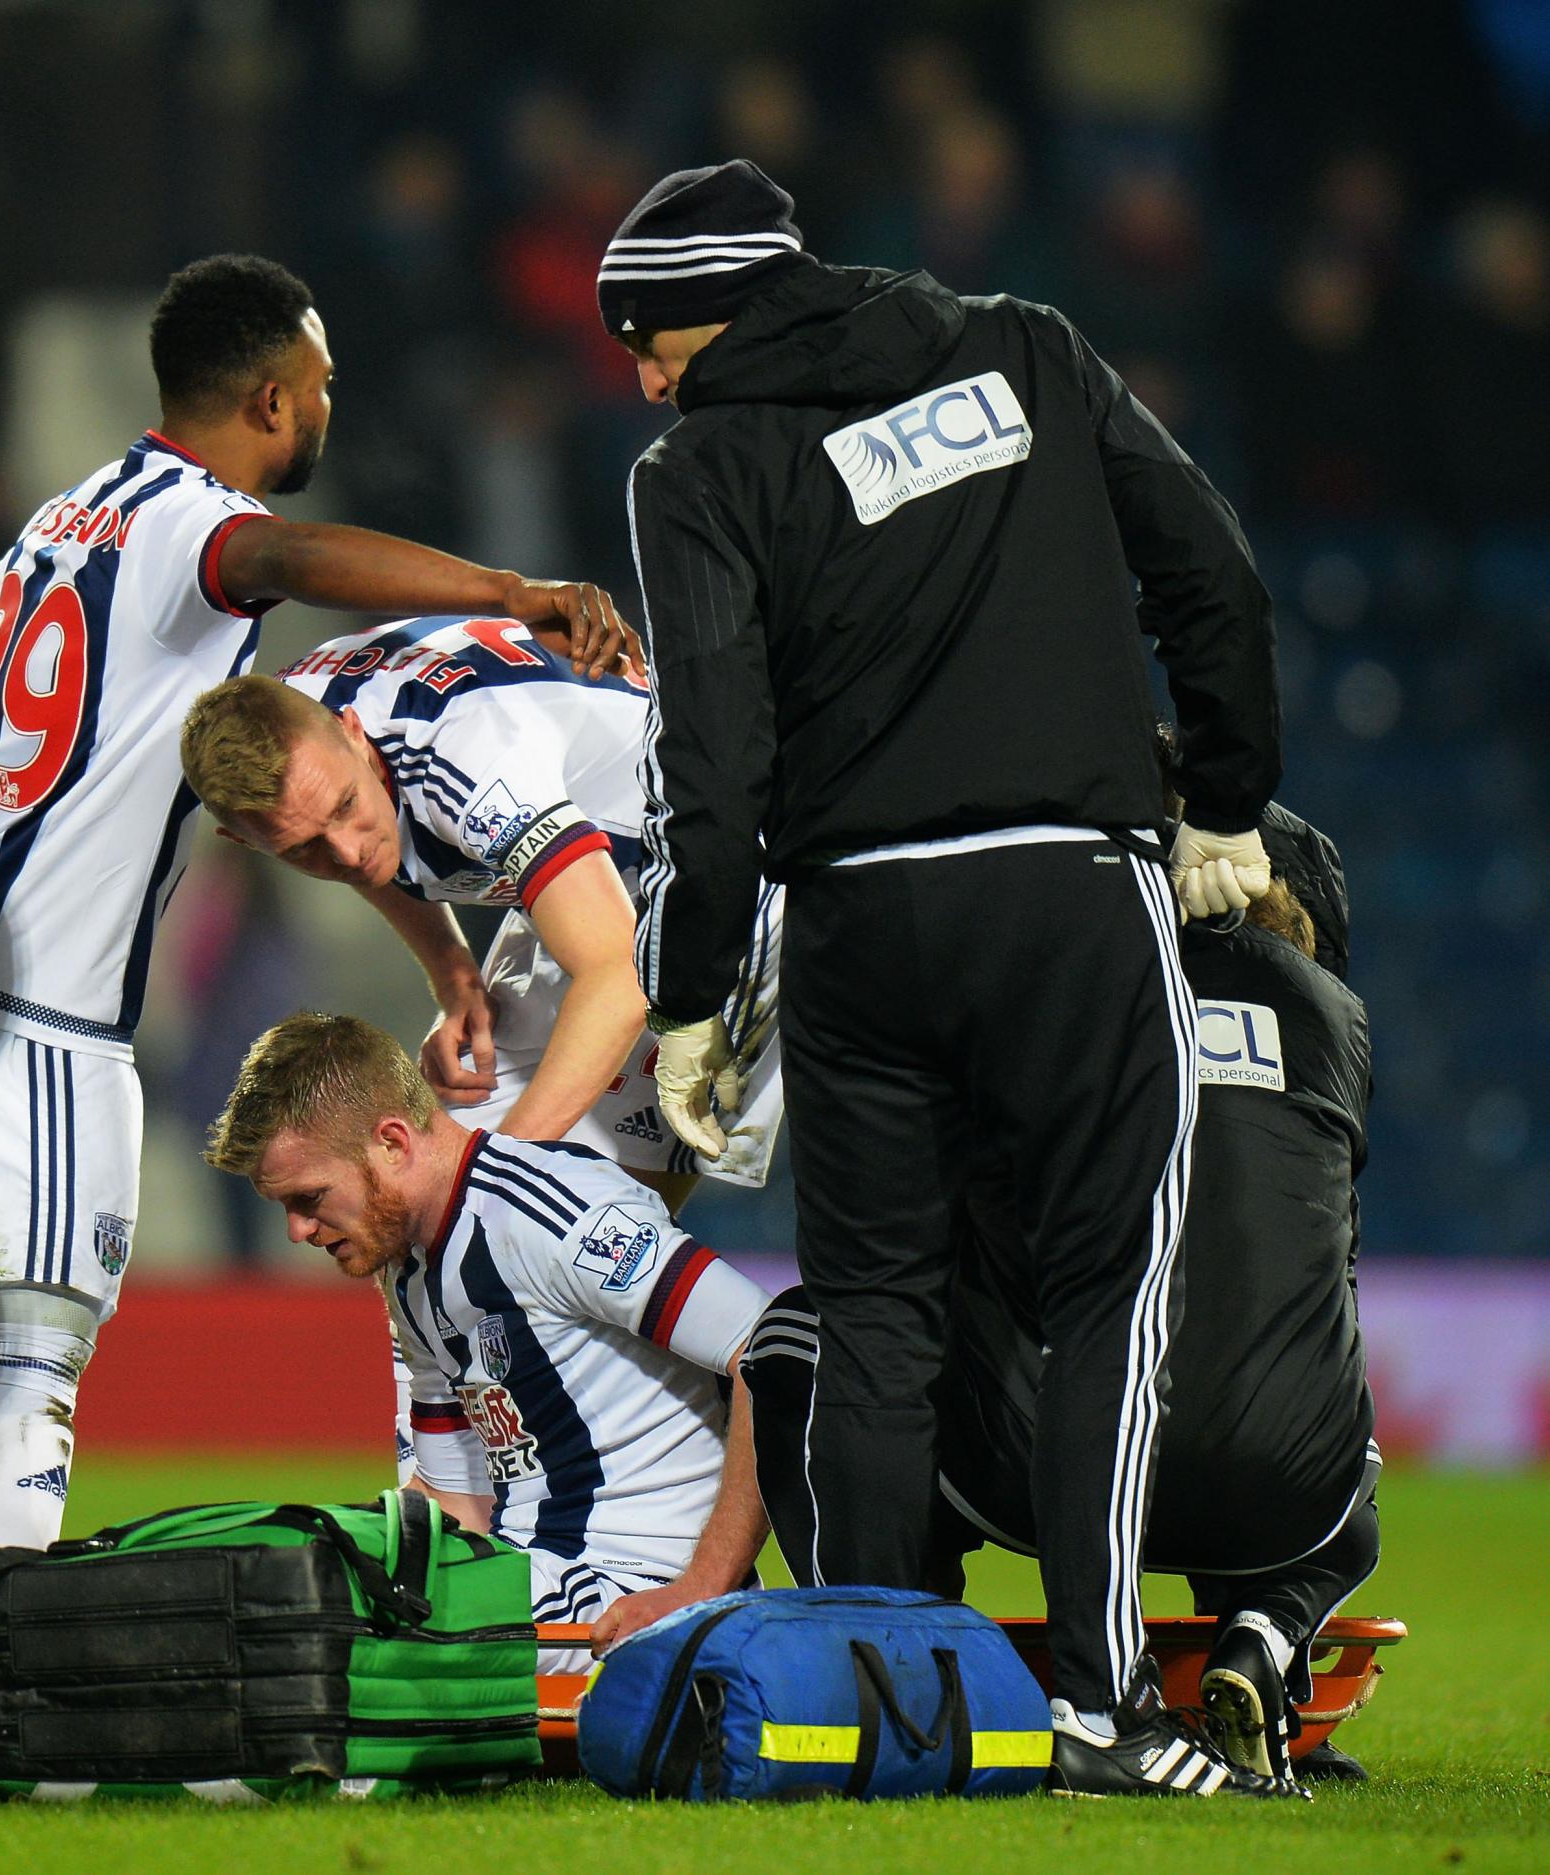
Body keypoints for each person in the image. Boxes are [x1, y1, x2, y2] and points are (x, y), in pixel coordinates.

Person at [601, 160, 1288, 1797]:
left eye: (647, 336)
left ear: (717, 309)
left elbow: (712, 761)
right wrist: (1230, 801)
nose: (639, 371)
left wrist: (693, 995)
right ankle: (1106, 1711)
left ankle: (898, 1702)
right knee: (1108, 1293)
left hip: (858, 924)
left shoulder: (697, 464)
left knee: (873, 1320)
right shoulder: (1029, 353)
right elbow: (1210, 571)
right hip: (1073, 893)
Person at [0, 253, 632, 1575]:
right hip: (41, 986)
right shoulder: (192, 517)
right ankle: (7, 1658)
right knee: (35, 1330)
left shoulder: (67, 515)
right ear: (276, 400)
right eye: (324, 388)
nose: (329, 411)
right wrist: (508, 591)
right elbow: (278, 551)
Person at [744, 804, 1379, 1790]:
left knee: (810, 1337)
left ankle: (905, 1657)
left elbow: (924, 1247)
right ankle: (1267, 1630)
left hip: (1063, 1462)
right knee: (1320, 1397)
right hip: (1279, 1496)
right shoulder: (1339, 1022)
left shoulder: (1058, 984)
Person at [202, 1012, 770, 1672]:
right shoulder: (410, 1274)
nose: (298, 1230)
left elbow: (770, 1344)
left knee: (343, 1650)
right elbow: (455, 1504)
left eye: (309, 1197)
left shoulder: (550, 1215)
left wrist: (702, 1587)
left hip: (626, 1594)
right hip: (528, 1580)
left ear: (391, 1142)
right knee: (289, 1588)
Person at [180, 626, 784, 1211]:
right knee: (432, 1193)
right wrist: (453, 976)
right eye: (301, 849)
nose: (346, 851)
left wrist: (498, 1184)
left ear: (355, 731)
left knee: (580, 1224)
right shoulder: (294, 728)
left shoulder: (472, 764)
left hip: (720, 869)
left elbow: (617, 978)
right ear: (240, 840)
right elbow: (369, 853)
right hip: (584, 874)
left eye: (345, 808)